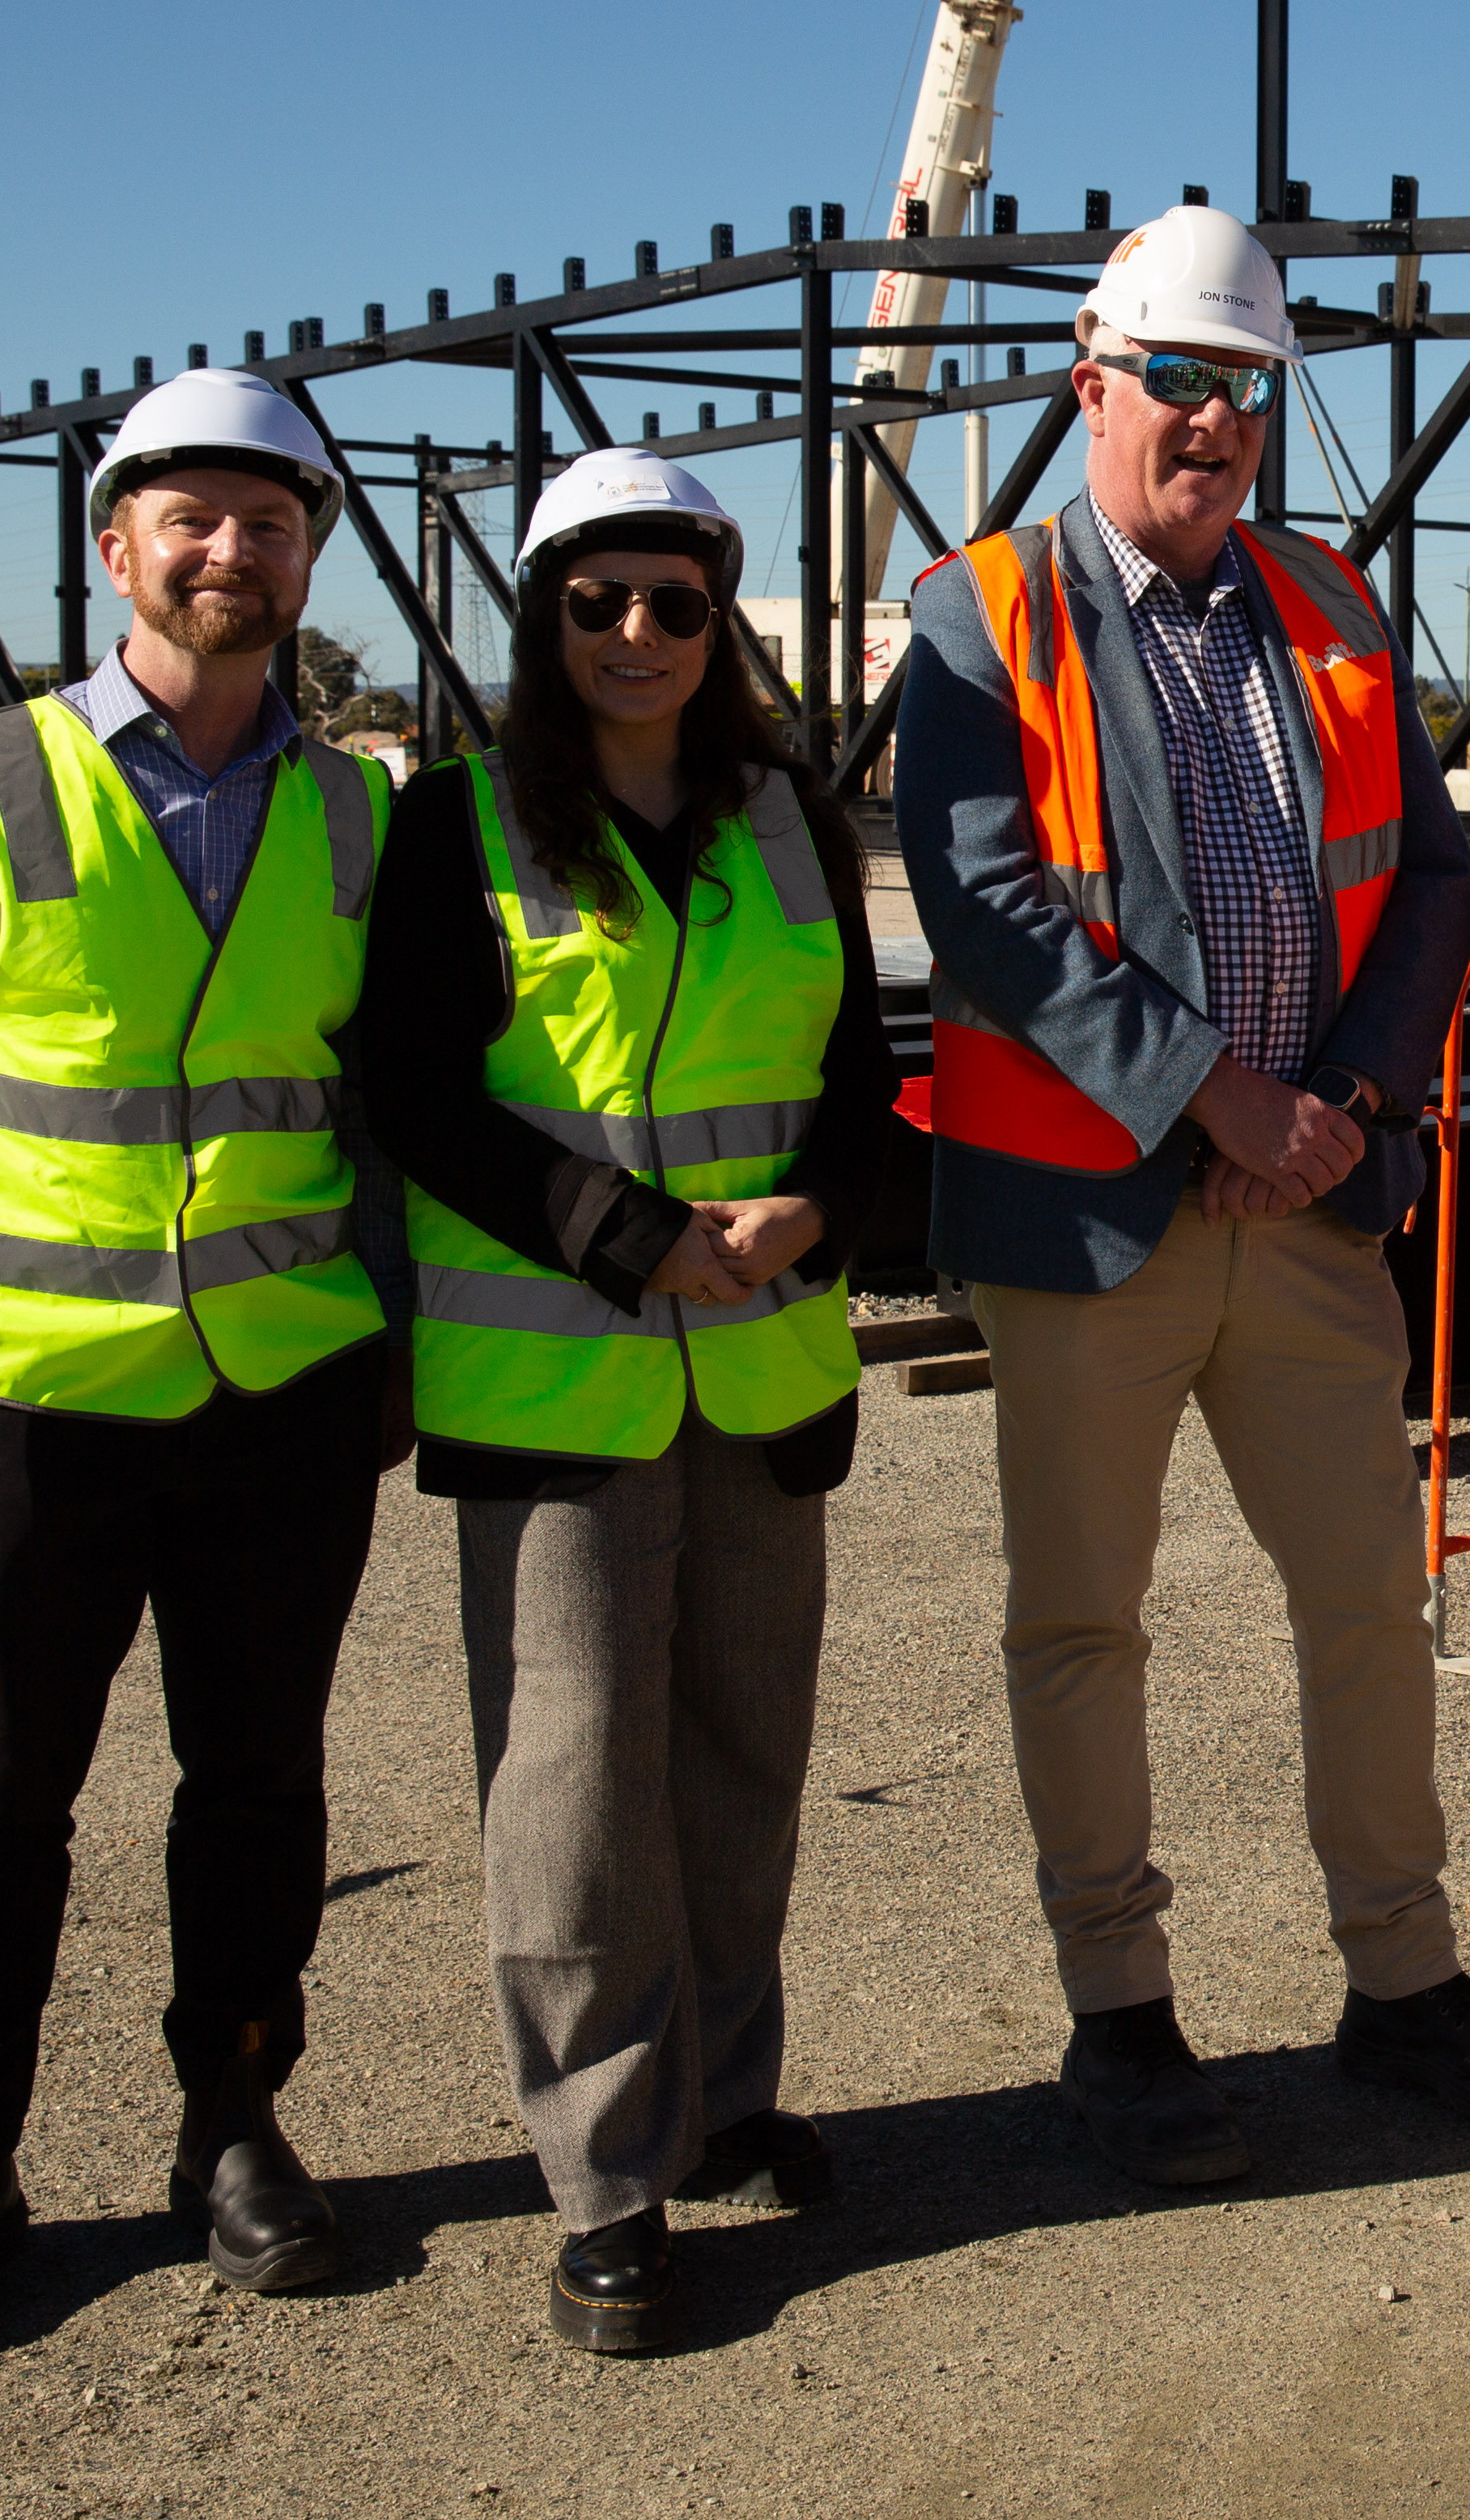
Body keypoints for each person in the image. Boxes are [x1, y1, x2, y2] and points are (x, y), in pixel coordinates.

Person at [897, 203, 1470, 2182]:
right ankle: (1119, 2017)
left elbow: (1428, 873)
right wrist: (1218, 1097)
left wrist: (1350, 1096)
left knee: (1373, 1598)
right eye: (1179, 380)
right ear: (1090, 382)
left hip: (1308, 1198)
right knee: (1082, 1624)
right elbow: (990, 905)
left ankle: (1404, 1982)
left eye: (1247, 386)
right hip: (1094, 1221)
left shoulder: (1335, 604)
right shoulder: (984, 611)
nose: (1213, 421)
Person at [0, 368, 399, 2354]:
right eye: (195, 519)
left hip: (276, 1393)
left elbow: (373, 1096)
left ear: (313, 551)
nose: (235, 552)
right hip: (25, 1396)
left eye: (273, 520)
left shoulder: (346, 805)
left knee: (255, 1783)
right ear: (117, 545)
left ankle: (231, 2124)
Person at [353, 448, 894, 2354]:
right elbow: (415, 1092)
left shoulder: (785, 817)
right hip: (557, 1382)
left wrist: (821, 1200)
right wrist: (618, 1231)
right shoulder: (461, 822)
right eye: (601, 604)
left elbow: (854, 1069)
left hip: (760, 1369)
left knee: (741, 1764)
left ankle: (727, 2094)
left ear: (719, 619)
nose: (642, 635)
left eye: (677, 603)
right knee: (577, 1793)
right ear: (544, 619)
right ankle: (604, 2175)